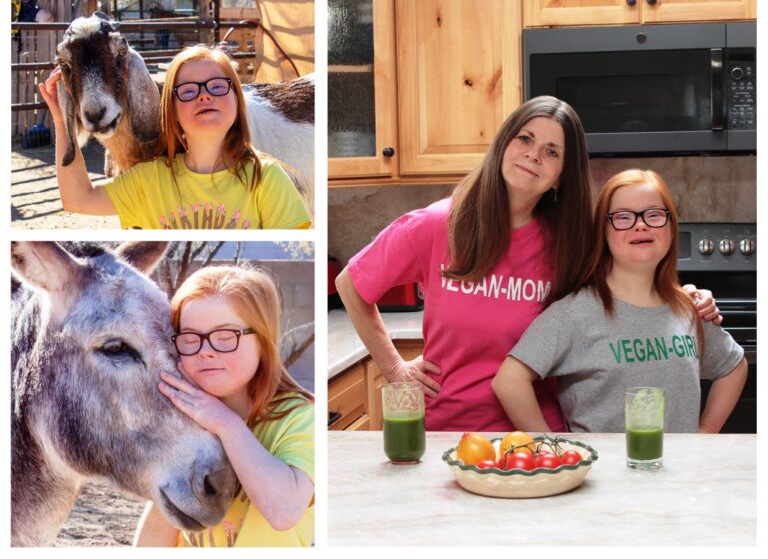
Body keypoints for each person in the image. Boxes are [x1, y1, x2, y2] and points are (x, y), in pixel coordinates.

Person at [335, 95, 722, 432]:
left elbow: (633, 283)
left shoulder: (570, 243)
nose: (534, 155)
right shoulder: (436, 226)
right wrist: (395, 370)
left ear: (559, 177)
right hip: (446, 432)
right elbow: (351, 283)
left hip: (540, 435)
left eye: (552, 152)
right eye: (525, 139)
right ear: (504, 144)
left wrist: (686, 297)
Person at [492, 169, 747, 433]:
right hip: (603, 474)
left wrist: (705, 433)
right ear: (603, 232)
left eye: (654, 214)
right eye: (623, 217)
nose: (641, 224)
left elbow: (734, 367)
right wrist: (552, 450)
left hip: (681, 474)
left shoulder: (689, 309)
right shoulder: (574, 314)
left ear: (671, 227)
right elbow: (509, 381)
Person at [134, 265, 314, 547]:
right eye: (190, 338)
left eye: (226, 336)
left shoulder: (299, 418)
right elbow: (157, 532)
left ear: (263, 342)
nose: (205, 350)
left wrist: (226, 423)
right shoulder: (183, 424)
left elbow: (283, 512)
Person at [38, 44, 311, 229]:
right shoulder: (151, 181)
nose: (204, 95)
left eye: (217, 86)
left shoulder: (267, 178)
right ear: (171, 110)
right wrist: (61, 120)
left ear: (238, 100)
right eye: (188, 91)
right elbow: (78, 199)